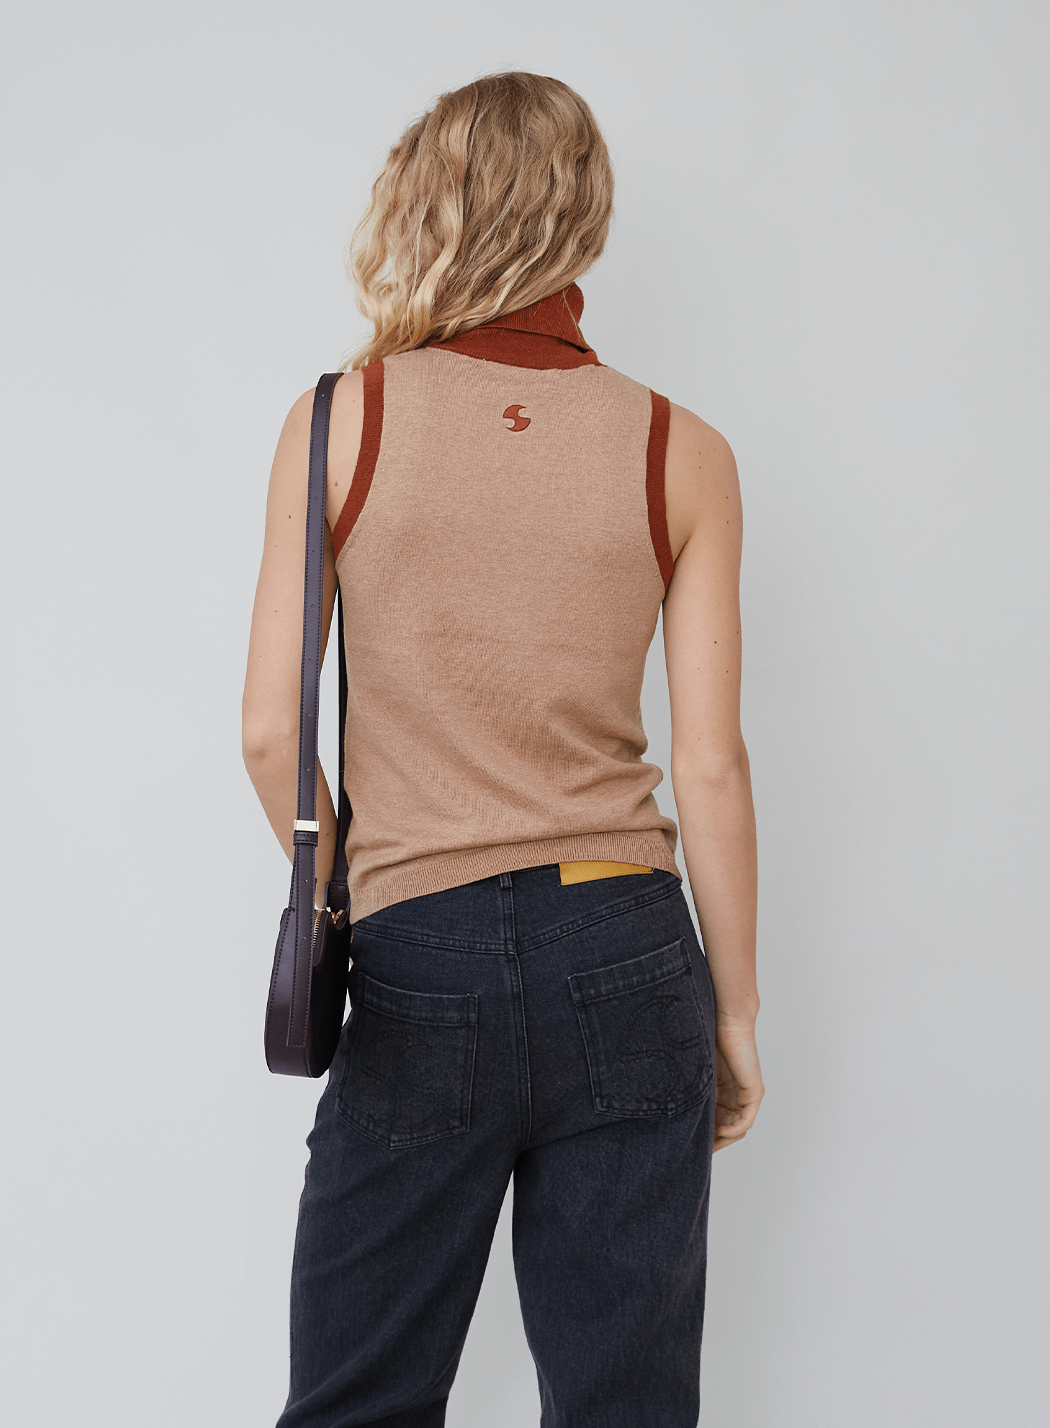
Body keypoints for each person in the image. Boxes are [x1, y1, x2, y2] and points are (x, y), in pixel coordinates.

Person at [242, 71, 763, 1428]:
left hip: (419, 950)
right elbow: (711, 766)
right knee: (626, 1407)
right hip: (630, 942)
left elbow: (270, 731)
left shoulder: (342, 418)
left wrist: (365, 897)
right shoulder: (681, 447)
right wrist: (736, 1012)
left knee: (355, 1400)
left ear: (428, 200)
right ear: (587, 217)